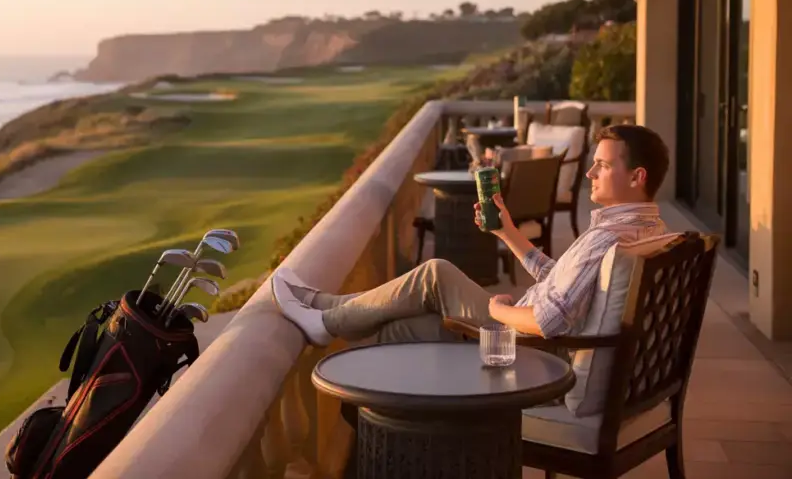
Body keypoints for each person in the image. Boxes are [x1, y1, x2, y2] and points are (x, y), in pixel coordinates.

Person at [271, 124, 670, 347]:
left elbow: (548, 319)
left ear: (637, 177)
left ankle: (325, 319)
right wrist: (508, 232)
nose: (590, 173)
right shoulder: (650, 230)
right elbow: (564, 282)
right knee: (398, 328)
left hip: (525, 348)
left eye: (601, 165)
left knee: (435, 274)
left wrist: (497, 309)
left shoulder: (607, 238)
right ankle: (325, 310)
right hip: (536, 340)